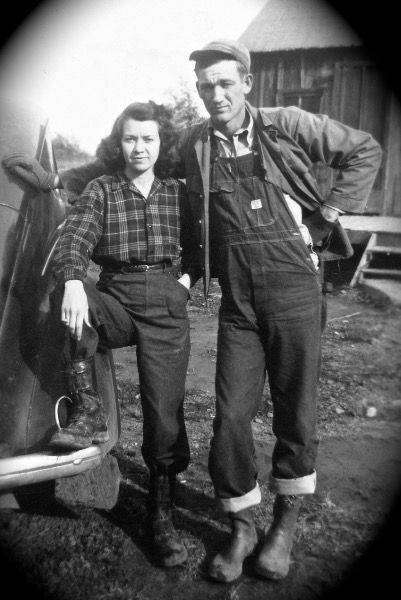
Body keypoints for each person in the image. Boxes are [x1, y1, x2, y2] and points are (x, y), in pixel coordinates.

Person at [177, 39, 382, 583]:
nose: (216, 95)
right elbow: (129, 156)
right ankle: (242, 525)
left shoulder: (285, 124)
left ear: (246, 83)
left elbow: (364, 149)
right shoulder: (196, 143)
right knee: (230, 415)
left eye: (225, 83)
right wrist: (58, 180)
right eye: (205, 87)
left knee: (297, 412)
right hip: (239, 299)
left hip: (294, 285)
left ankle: (284, 526)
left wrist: (329, 213)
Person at [3, 101, 199, 568]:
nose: (139, 148)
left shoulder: (180, 191)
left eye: (148, 138)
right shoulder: (103, 188)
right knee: (65, 296)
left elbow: (200, 241)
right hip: (117, 296)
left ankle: (161, 512)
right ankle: (88, 408)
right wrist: (73, 280)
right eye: (130, 138)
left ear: (161, 142)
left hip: (167, 299)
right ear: (119, 143)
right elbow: (74, 236)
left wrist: (186, 282)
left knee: (163, 412)